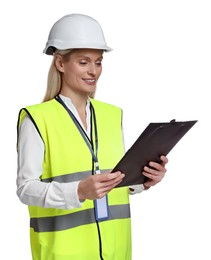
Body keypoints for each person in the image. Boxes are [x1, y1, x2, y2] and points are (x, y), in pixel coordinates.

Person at [16, 13, 168, 260]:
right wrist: (78, 191)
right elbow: (26, 189)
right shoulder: (37, 118)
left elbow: (115, 182)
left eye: (98, 62)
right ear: (60, 63)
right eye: (84, 62)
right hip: (64, 253)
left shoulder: (112, 115)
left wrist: (142, 181)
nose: (93, 71)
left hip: (116, 251)